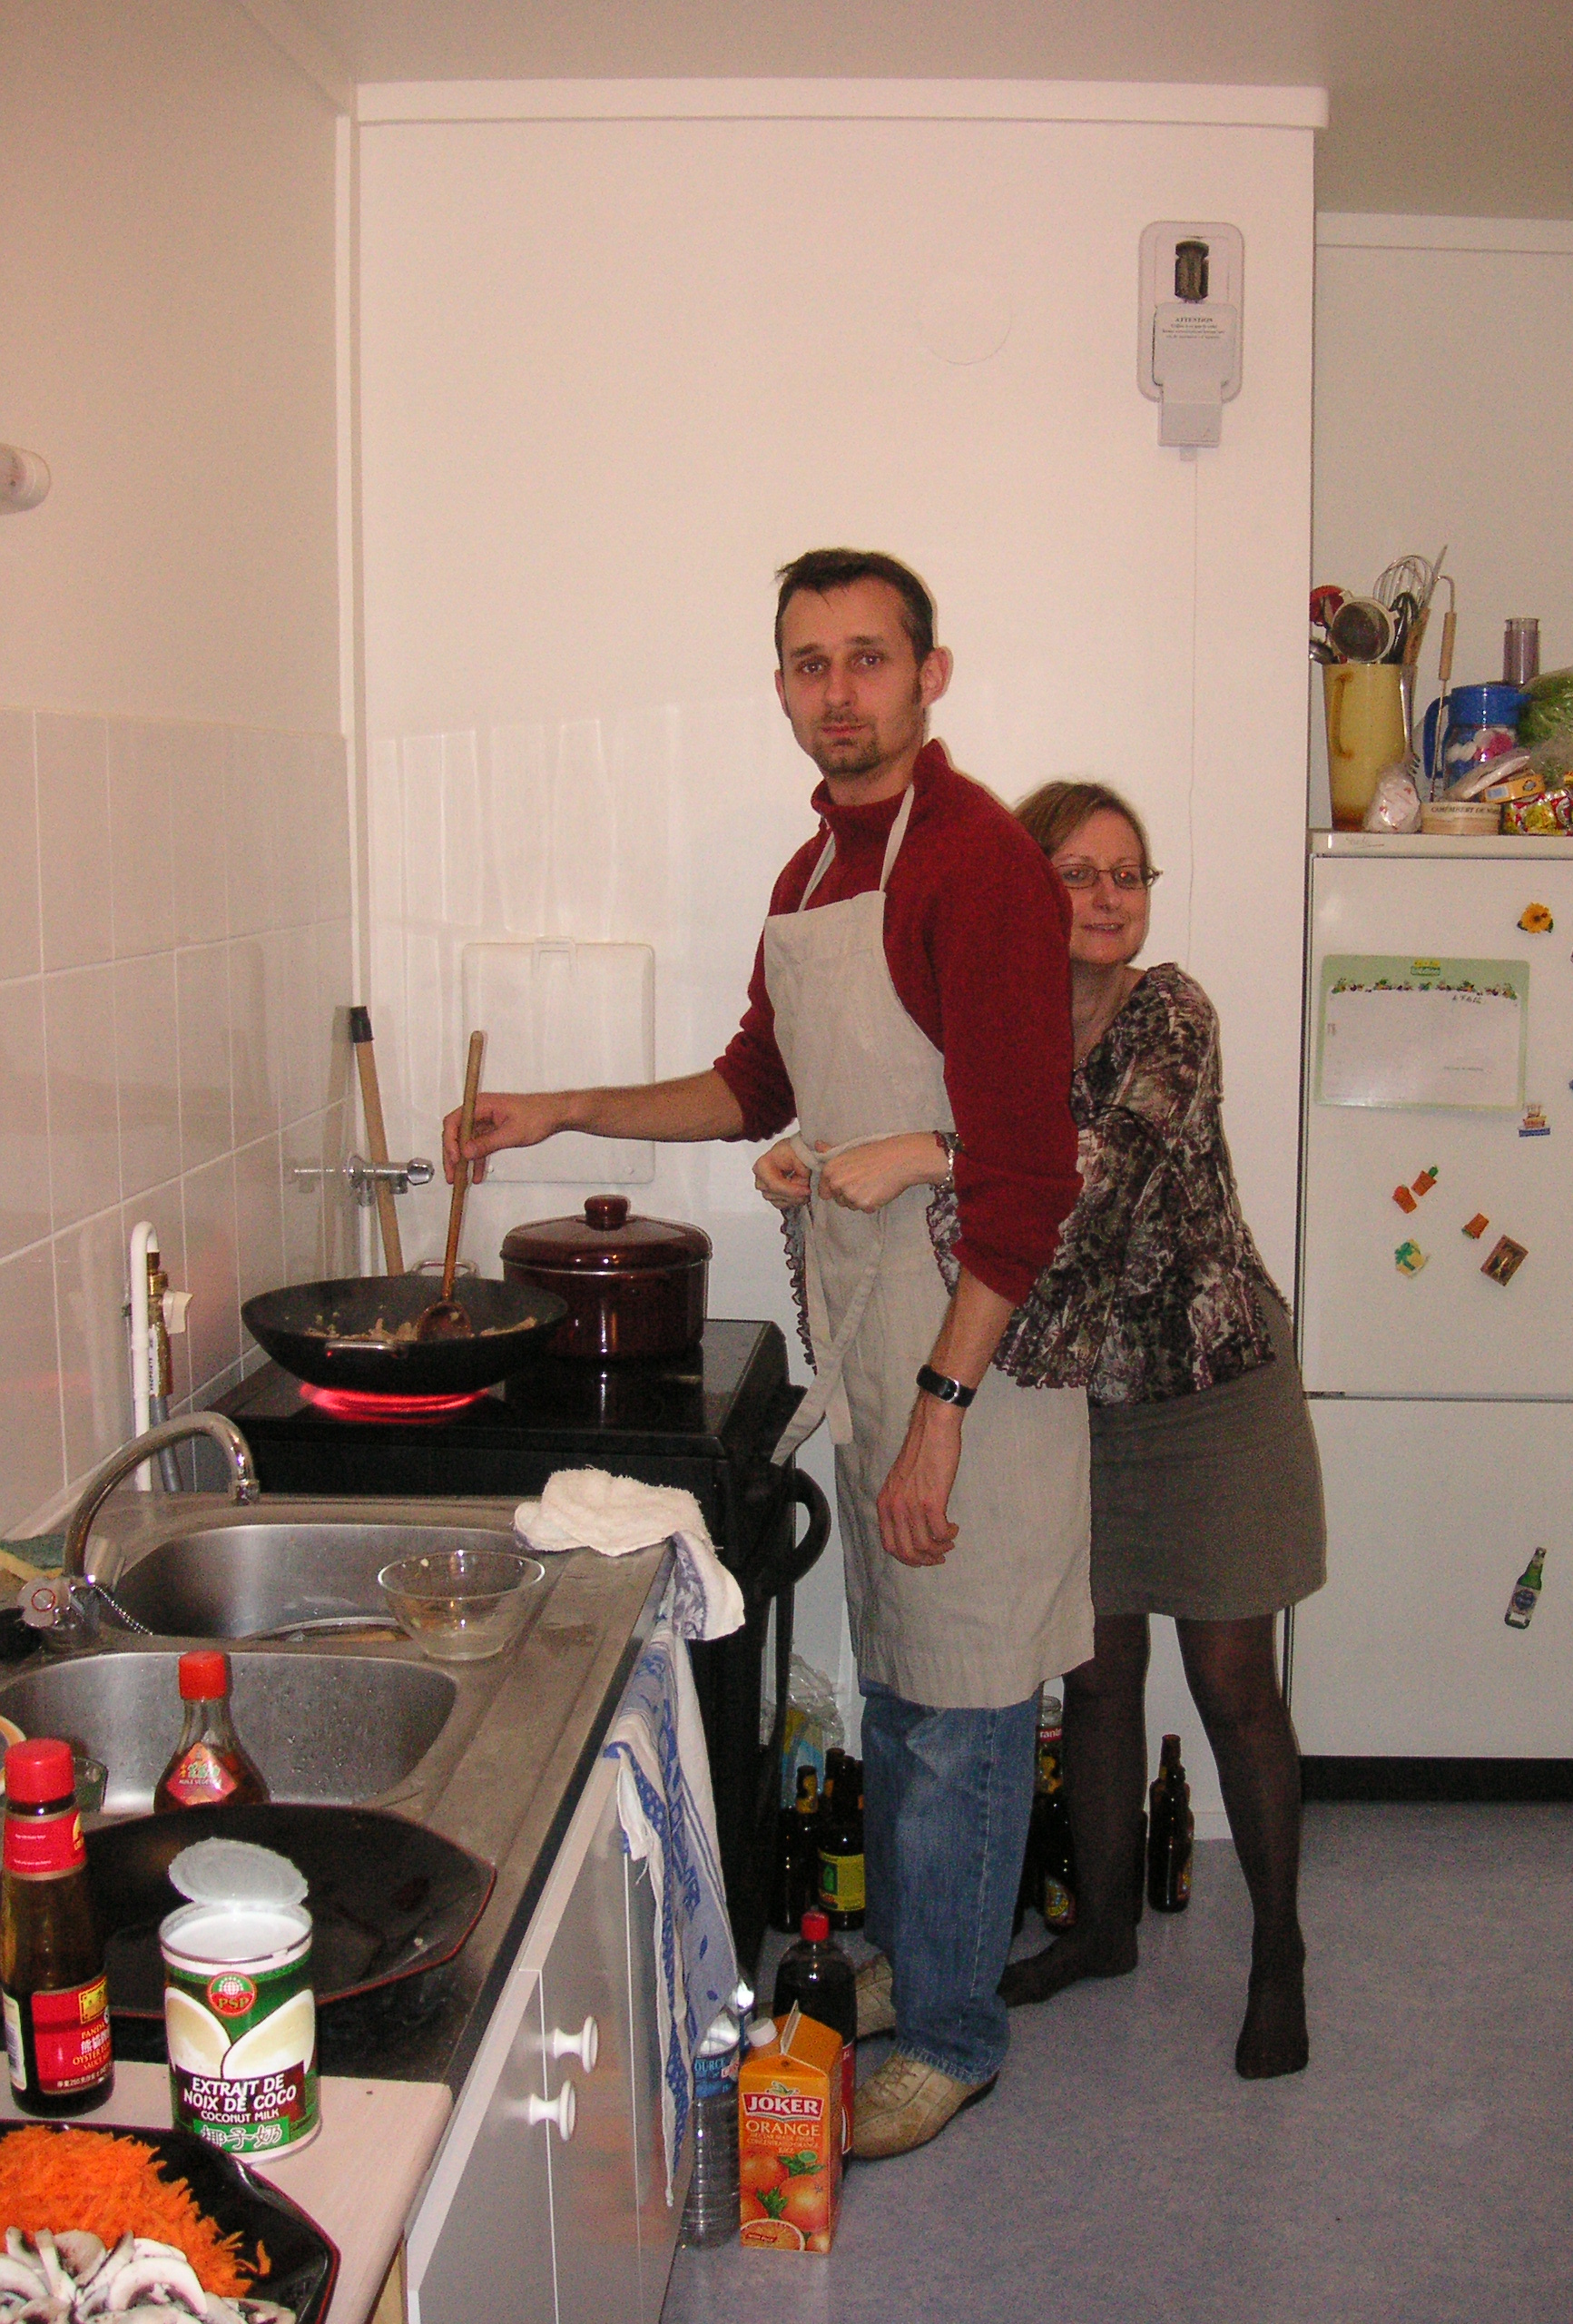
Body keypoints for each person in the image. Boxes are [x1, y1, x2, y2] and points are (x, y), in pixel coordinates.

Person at [444, 549, 1093, 2156]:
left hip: (975, 1349)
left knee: (967, 1704)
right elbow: (753, 1084)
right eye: (810, 663)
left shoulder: (977, 865)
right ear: (785, 687)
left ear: (930, 674)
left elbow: (1029, 1181)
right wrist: (559, 1109)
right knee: (904, 1682)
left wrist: (942, 1410)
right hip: (875, 1331)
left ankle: (952, 2036)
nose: (838, 691)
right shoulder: (813, 875)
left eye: (868, 657)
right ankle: (920, 1965)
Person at [757, 779, 1325, 2078]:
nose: (1109, 898)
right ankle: (1104, 1931)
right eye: (1078, 874)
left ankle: (1280, 1954)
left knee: (1233, 1684)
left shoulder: (1171, 1012)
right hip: (1072, 1399)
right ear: (1027, 891)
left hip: (1209, 1393)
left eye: (1130, 874)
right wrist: (816, 1157)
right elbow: (952, 1177)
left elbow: (1092, 1170)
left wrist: (928, 1150)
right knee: (1096, 1676)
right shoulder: (993, 1018)